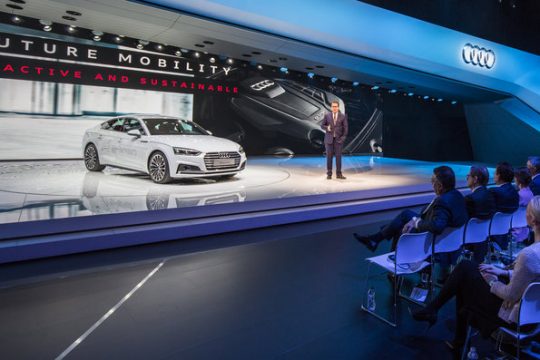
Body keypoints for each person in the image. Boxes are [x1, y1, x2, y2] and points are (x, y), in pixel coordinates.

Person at [411, 196, 540, 356]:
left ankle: (443, 322)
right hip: (534, 315)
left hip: (514, 318)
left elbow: (510, 294)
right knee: (466, 270)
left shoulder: (529, 254)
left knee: (464, 275)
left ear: (532, 219)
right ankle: (438, 317)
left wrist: (492, 282)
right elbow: (532, 274)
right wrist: (504, 272)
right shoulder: (534, 252)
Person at [354, 166, 468, 252]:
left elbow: (437, 226)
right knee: (406, 214)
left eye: (433, 181)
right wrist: (415, 220)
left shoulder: (443, 201)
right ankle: (376, 239)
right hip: (452, 238)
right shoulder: (457, 195)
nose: (431, 184)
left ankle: (395, 263)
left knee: (401, 228)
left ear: (440, 186)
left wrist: (417, 223)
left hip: (434, 239)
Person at [489, 162, 519, 249]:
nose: (494, 175)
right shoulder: (515, 192)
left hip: (492, 231)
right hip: (506, 231)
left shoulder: (493, 192)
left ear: (499, 176)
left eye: (495, 173)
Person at [321, 101, 348, 180]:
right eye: (333, 106)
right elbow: (322, 125)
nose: (334, 108)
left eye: (336, 106)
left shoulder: (342, 116)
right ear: (331, 107)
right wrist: (327, 128)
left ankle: (339, 174)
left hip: (338, 140)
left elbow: (345, 128)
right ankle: (329, 174)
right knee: (329, 157)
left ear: (338, 107)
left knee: (338, 157)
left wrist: (343, 138)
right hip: (329, 140)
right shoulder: (327, 115)